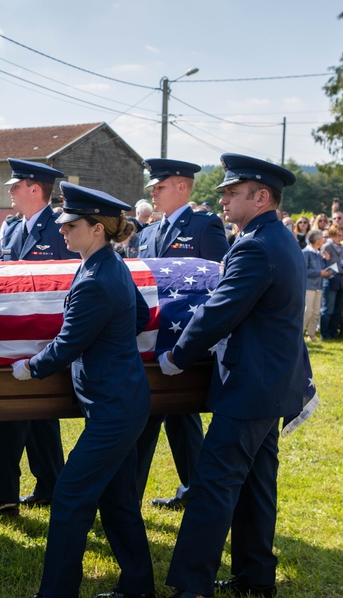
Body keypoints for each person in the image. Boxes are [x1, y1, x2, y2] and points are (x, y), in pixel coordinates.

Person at [151, 154, 303, 598]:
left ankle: (192, 589)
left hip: (248, 385)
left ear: (261, 197)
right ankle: (255, 576)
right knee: (257, 482)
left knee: (214, 483)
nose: (223, 198)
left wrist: (178, 355)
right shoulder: (276, 238)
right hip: (270, 383)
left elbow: (221, 309)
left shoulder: (256, 246)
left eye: (232, 192)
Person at [13, 183, 154, 598]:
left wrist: (31, 368)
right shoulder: (108, 265)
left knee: (71, 495)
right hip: (122, 400)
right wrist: (111, 344)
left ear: (96, 229)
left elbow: (69, 342)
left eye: (71, 226)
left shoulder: (96, 276)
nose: (63, 232)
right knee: (116, 498)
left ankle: (58, 594)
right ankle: (137, 586)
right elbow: (140, 316)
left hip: (114, 407)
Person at [0, 158, 74, 520]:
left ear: (35, 189)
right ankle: (51, 485)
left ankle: (1, 494)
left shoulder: (60, 229)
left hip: (47, 339)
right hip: (19, 336)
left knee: (11, 410)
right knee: (38, 414)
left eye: (16, 185)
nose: (9, 191)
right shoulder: (12, 229)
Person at [133, 158, 228, 511]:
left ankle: (195, 490)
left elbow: (219, 284)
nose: (153, 193)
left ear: (182, 187)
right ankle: (131, 495)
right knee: (147, 417)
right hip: (149, 343)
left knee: (180, 418)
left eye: (160, 186)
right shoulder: (145, 235)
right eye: (153, 188)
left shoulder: (205, 226)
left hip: (184, 345)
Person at [320, 225, 343, 340]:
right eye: (338, 235)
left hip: (341, 280)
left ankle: (333, 332)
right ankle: (325, 333)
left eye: (342, 235)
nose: (340, 238)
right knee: (328, 308)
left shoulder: (342, 248)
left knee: (338, 309)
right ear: (332, 235)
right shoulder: (327, 246)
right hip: (330, 279)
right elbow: (325, 265)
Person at [302, 230, 330, 342]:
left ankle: (311, 335)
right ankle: (299, 334)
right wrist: (319, 273)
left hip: (318, 286)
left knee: (316, 312)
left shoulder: (319, 254)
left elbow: (324, 269)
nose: (323, 240)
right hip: (309, 286)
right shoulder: (306, 252)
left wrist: (326, 261)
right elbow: (304, 270)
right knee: (307, 311)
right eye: (321, 238)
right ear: (317, 240)